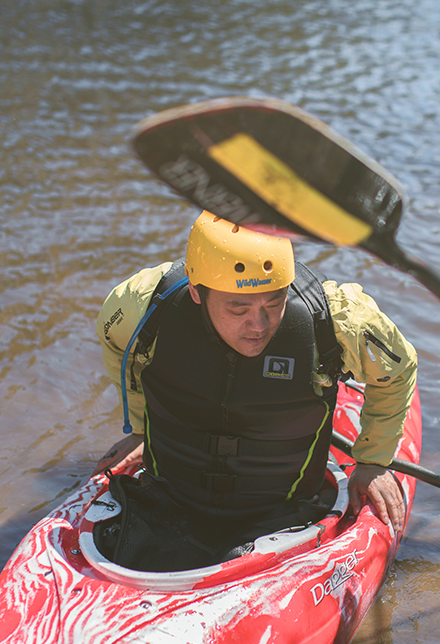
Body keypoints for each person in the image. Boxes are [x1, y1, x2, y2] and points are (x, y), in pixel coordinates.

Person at [93, 210, 417, 571]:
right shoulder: (141, 306)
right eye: (238, 307)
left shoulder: (337, 319)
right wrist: (139, 427)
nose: (258, 325)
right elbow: (113, 340)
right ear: (196, 292)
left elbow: (398, 369)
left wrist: (373, 461)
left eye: (274, 302)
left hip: (285, 513)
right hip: (172, 494)